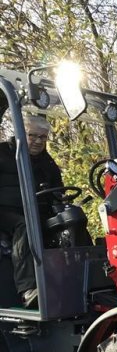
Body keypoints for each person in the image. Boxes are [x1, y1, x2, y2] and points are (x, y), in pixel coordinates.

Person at [0, 114, 64, 307]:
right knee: (26, 225)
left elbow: (58, 189)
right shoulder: (3, 153)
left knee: (70, 220)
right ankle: (27, 289)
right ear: (20, 133)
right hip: (5, 212)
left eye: (43, 137)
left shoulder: (48, 162)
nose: (38, 141)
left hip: (37, 211)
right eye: (32, 135)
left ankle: (84, 282)